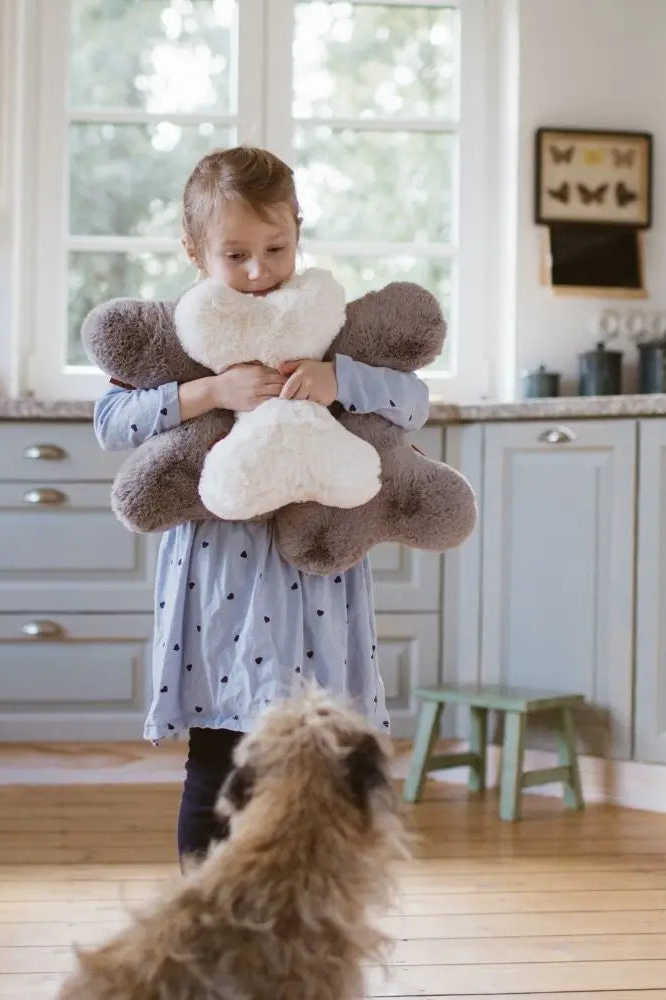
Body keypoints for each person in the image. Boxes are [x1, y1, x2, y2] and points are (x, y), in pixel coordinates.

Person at [93, 146, 430, 866]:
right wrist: (211, 393)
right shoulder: (183, 333)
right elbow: (111, 421)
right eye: (235, 255)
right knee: (218, 755)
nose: (256, 272)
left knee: (321, 755)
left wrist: (338, 377)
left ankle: (307, 912)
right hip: (217, 577)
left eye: (275, 249)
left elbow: (414, 402)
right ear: (194, 251)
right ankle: (206, 911)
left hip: (314, 583)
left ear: (298, 232)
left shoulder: (327, 326)